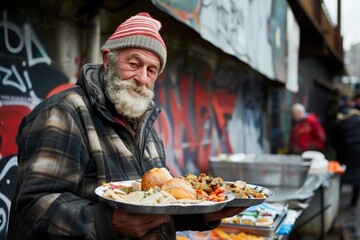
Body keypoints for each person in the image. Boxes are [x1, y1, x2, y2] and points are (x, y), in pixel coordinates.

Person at [7, 12, 245, 240]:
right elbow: (34, 205)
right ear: (108, 60)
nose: (142, 78)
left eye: (151, 70)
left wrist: (204, 214)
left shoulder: (145, 123)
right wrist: (106, 222)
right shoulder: (64, 112)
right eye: (134, 64)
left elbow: (159, 206)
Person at [332, 94, 360, 206]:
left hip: (345, 152)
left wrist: (338, 149)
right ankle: (354, 201)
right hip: (358, 152)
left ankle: (336, 200)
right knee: (357, 176)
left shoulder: (341, 122)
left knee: (341, 174)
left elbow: (335, 139)